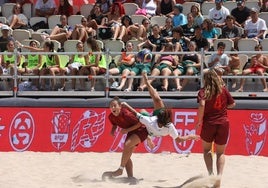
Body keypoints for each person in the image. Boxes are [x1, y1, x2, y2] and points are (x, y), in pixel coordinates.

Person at [122, 72, 199, 145]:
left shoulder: (153, 122)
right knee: (156, 100)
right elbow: (178, 140)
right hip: (155, 127)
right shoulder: (169, 126)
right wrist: (190, 137)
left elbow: (136, 114)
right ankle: (147, 83)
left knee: (142, 112)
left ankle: (147, 83)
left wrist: (126, 105)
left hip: (151, 127)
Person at [195, 69, 235, 179]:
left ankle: (210, 174)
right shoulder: (223, 90)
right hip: (223, 123)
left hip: (209, 124)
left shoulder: (202, 92)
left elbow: (202, 105)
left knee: (207, 150)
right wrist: (223, 106)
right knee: (220, 153)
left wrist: (199, 121)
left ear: (204, 79)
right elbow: (233, 104)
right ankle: (219, 176)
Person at [103, 96, 148, 179]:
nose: (113, 108)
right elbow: (114, 124)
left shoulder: (127, 114)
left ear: (120, 107)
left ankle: (120, 170)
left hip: (141, 130)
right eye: (111, 106)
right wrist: (113, 130)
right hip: (131, 132)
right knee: (126, 156)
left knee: (126, 145)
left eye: (114, 106)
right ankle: (130, 177)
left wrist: (126, 130)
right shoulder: (111, 116)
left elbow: (140, 124)